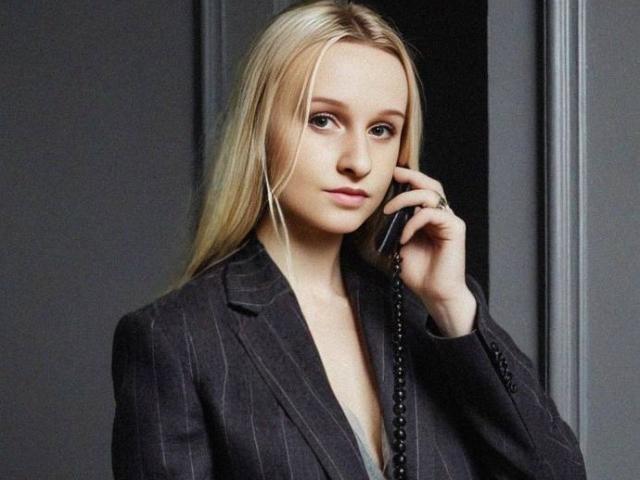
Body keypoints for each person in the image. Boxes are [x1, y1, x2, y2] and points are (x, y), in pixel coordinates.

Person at [110, 1, 587, 479]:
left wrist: (452, 304)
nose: (358, 161)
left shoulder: (428, 315)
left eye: (382, 130)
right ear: (259, 129)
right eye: (323, 120)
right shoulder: (176, 338)